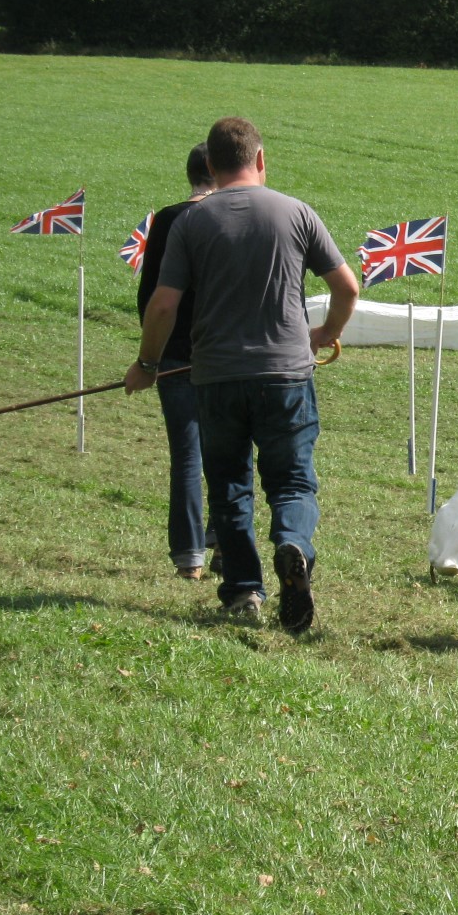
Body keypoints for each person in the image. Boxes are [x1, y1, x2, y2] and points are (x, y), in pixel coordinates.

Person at [125, 117, 360, 633]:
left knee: (229, 485)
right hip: (287, 376)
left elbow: (163, 305)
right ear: (260, 159)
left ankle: (243, 592)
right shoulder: (297, 213)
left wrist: (147, 364)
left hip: (216, 377)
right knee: (293, 481)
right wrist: (324, 332)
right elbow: (348, 287)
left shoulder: (191, 223)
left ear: (209, 166)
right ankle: (293, 543)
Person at [137, 143, 218, 581]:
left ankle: (190, 558)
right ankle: (226, 539)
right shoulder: (234, 214)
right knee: (229, 454)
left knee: (187, 456)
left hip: (175, 357)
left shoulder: (169, 219)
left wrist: (148, 360)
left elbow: (153, 296)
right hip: (226, 354)